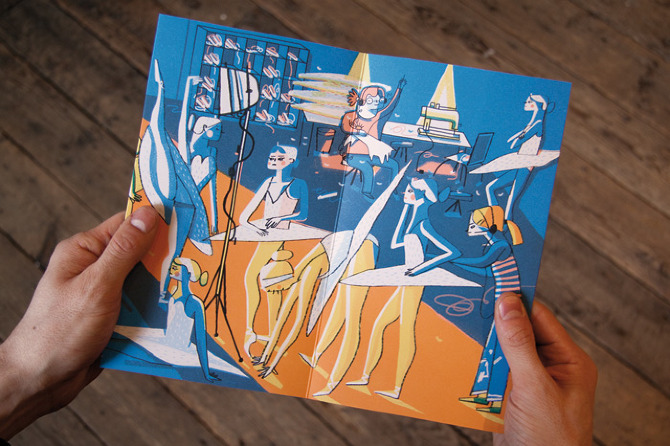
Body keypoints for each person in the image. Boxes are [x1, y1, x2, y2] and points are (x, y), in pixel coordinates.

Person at [0, 207, 597, 444]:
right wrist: (25, 372)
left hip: (432, 286)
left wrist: (25, 372)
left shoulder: (482, 242)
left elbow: (458, 259)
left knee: (416, 334)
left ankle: (358, 368)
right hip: (360, 269)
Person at [340, 78, 406, 199]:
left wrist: (399, 89)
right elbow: (344, 127)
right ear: (363, 101)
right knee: (367, 169)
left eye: (379, 100)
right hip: (354, 156)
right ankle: (366, 192)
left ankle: (393, 189)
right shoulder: (353, 116)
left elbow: (391, 106)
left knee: (394, 165)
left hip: (372, 156)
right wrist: (357, 132)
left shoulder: (379, 117)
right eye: (371, 100)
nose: (375, 103)